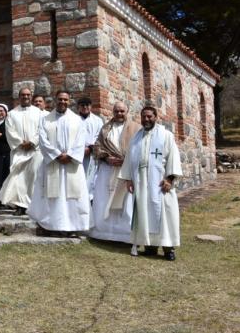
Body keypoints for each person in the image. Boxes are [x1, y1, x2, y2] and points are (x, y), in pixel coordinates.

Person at [119, 107, 182, 260]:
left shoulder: (166, 135)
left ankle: (168, 249)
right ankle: (149, 246)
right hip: (140, 182)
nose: (146, 119)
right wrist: (128, 179)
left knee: (165, 214)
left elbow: (173, 158)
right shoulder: (135, 138)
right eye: (143, 117)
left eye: (149, 117)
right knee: (144, 212)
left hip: (160, 182)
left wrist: (170, 179)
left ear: (156, 117)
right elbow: (129, 159)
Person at [28, 91, 89, 236]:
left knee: (72, 196)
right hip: (53, 163)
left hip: (71, 164)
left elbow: (81, 141)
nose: (62, 102)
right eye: (60, 99)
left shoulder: (77, 119)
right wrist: (56, 155)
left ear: (69, 101)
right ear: (55, 100)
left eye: (65, 99)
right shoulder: (46, 119)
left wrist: (70, 156)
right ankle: (51, 225)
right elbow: (43, 140)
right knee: (52, 195)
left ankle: (73, 226)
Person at [88, 102, 139, 243]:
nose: (119, 114)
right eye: (116, 111)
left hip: (126, 171)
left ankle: (126, 234)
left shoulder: (136, 128)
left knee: (125, 202)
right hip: (108, 169)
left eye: (122, 111)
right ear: (113, 112)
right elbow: (97, 146)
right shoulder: (105, 129)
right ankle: (104, 232)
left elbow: (140, 149)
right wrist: (106, 157)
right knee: (104, 199)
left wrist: (126, 160)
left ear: (127, 111)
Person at [0, 88, 42, 215]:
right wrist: (21, 143)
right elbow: (10, 131)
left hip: (34, 151)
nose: (25, 97)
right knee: (19, 179)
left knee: (33, 177)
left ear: (31, 96)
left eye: (28, 95)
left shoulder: (39, 113)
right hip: (19, 151)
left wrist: (32, 142)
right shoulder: (12, 114)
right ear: (19, 97)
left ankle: (32, 205)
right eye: (23, 95)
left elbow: (41, 130)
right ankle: (19, 206)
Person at [78, 97, 104, 196]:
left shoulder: (97, 121)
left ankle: (90, 198)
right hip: (78, 153)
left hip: (92, 153)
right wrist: (80, 149)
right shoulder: (74, 119)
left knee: (91, 177)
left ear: (91, 106)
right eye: (82, 105)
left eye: (87, 105)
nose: (85, 107)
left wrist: (90, 148)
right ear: (78, 107)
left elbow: (100, 136)